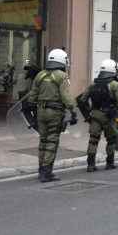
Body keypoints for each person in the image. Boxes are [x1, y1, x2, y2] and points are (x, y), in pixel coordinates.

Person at [29, 49, 77, 182]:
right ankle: (46, 172)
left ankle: (41, 170)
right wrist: (73, 112)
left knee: (43, 140)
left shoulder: (40, 74)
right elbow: (66, 97)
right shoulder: (62, 76)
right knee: (52, 141)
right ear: (62, 61)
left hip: (41, 111)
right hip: (55, 112)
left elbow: (32, 96)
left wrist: (35, 110)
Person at [77, 59, 118, 172]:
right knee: (111, 139)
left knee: (93, 139)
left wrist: (89, 110)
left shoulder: (93, 83)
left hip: (95, 115)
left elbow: (82, 99)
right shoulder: (114, 85)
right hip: (108, 117)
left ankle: (90, 164)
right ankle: (110, 162)